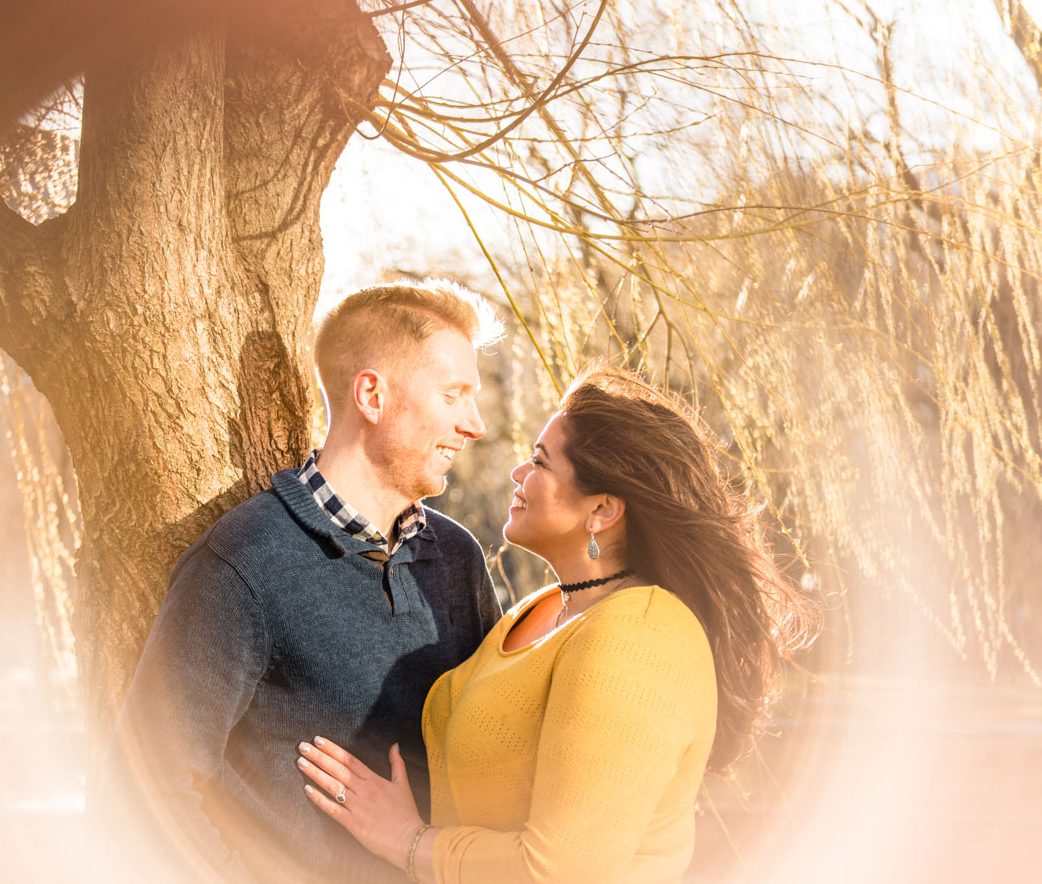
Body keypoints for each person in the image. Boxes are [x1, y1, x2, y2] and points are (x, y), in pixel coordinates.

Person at [296, 364, 817, 883]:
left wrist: (407, 842)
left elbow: (561, 871)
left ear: (603, 510)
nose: (517, 474)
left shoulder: (640, 635)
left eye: (540, 463)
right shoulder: (545, 608)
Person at [99, 280, 506, 884]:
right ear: (371, 394)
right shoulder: (245, 564)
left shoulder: (456, 558)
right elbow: (142, 799)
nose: (473, 424)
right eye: (453, 395)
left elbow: (490, 756)